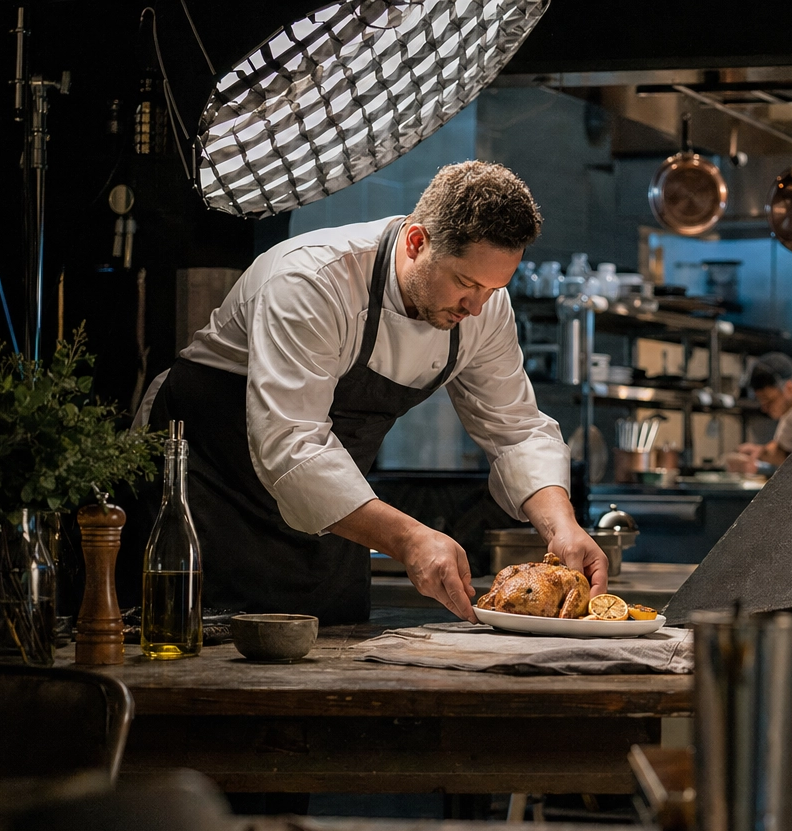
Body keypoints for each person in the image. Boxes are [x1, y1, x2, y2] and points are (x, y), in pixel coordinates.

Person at [137, 161, 606, 624]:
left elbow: (516, 430)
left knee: (333, 643)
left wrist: (562, 527)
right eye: (465, 283)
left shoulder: (484, 305)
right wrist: (409, 539)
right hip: (208, 492)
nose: (477, 306)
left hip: (330, 519)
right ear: (417, 241)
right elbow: (291, 442)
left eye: (493, 288)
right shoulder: (311, 280)